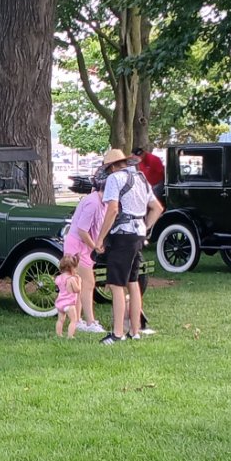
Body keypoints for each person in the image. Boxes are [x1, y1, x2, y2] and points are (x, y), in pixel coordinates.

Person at [96, 148, 163, 345]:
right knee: (133, 282)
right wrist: (145, 227)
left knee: (116, 284)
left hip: (122, 235)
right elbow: (157, 208)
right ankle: (135, 331)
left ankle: (117, 333)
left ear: (112, 167)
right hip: (138, 234)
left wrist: (100, 238)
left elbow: (113, 210)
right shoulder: (141, 179)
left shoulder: (114, 179)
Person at [62, 170, 109, 334]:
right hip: (77, 247)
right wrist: (95, 246)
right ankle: (90, 322)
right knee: (88, 283)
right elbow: (82, 230)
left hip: (84, 247)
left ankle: (77, 321)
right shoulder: (93, 203)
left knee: (81, 284)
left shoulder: (103, 203)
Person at [54, 253, 82, 339]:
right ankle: (70, 336)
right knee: (73, 320)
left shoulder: (58, 278)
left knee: (60, 320)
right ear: (72, 268)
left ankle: (59, 335)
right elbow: (77, 290)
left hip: (60, 302)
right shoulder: (71, 279)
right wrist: (79, 281)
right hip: (69, 303)